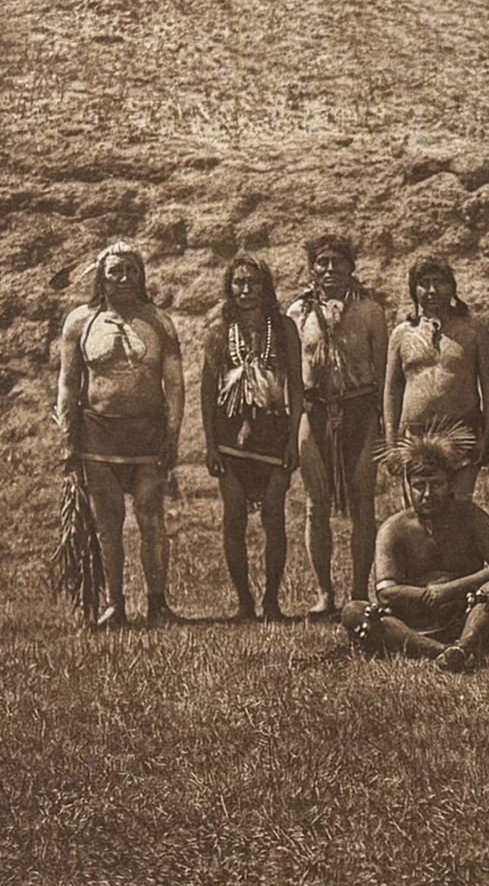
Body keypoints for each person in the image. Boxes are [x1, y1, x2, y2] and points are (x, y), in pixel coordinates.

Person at [56, 243, 186, 628]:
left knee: (151, 515)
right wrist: (68, 438)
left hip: (147, 434)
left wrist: (173, 433)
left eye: (132, 270)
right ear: (102, 277)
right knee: (108, 522)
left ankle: (158, 604)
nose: (124, 278)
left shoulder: (159, 322)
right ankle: (115, 604)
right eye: (116, 271)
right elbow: (68, 382)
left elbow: (175, 384)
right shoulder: (79, 322)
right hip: (98, 435)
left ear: (141, 275)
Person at [342, 426, 489, 672]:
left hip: (464, 615)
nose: (427, 494)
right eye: (419, 486)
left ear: (450, 483)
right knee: (353, 611)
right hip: (410, 624)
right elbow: (386, 592)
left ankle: (465, 644)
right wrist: (425, 595)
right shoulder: (394, 528)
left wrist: (449, 589)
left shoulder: (470, 516)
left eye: (436, 484)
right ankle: (442, 651)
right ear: (408, 486)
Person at [287, 234, 389, 617]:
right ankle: (324, 593)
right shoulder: (297, 313)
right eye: (322, 262)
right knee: (316, 505)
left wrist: (382, 423)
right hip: (314, 411)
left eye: (338, 262)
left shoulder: (370, 311)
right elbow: (291, 375)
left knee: (363, 503)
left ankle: (359, 590)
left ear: (351, 266)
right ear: (312, 267)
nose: (330, 270)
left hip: (360, 410)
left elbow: (383, 373)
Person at [199, 254, 304, 622]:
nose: (246, 289)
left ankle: (272, 602)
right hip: (231, 436)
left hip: (273, 433)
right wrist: (210, 444)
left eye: (253, 282)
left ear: (265, 286)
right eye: (239, 282)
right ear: (229, 287)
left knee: (274, 514)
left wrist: (293, 439)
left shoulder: (284, 328)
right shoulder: (219, 329)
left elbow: (296, 387)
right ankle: (244, 604)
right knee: (234, 516)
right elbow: (208, 389)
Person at [385, 256, 489, 500]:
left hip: (462, 433)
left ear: (452, 287)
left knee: (459, 506)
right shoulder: (402, 334)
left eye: (440, 282)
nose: (432, 290)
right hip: (416, 435)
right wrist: (392, 444)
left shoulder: (474, 330)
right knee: (419, 508)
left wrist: (487, 439)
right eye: (424, 283)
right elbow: (391, 392)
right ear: (414, 290)